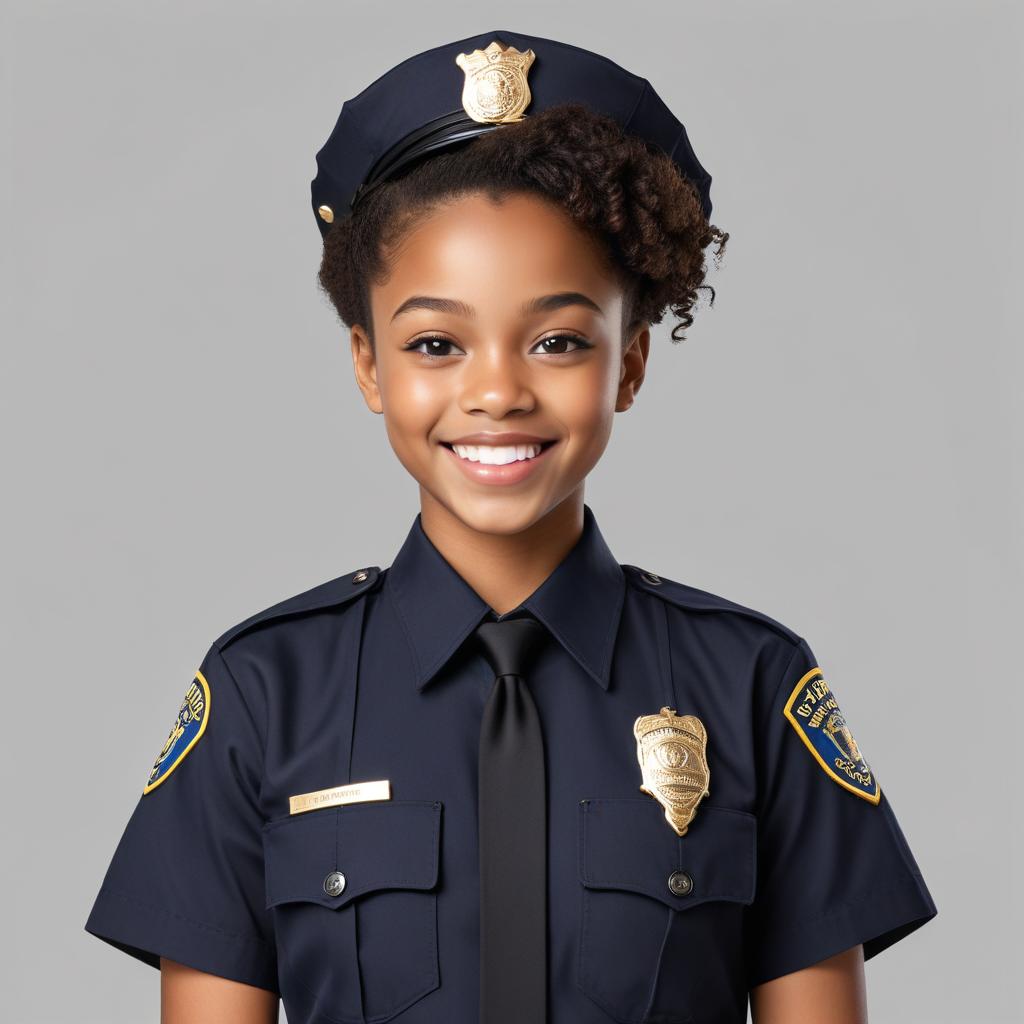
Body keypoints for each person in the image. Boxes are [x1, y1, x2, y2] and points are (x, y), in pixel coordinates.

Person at [84, 28, 937, 1024]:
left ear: (629, 364)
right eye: (435, 343)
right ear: (367, 364)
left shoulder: (752, 685)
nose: (496, 392)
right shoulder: (265, 694)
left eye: (559, 340)